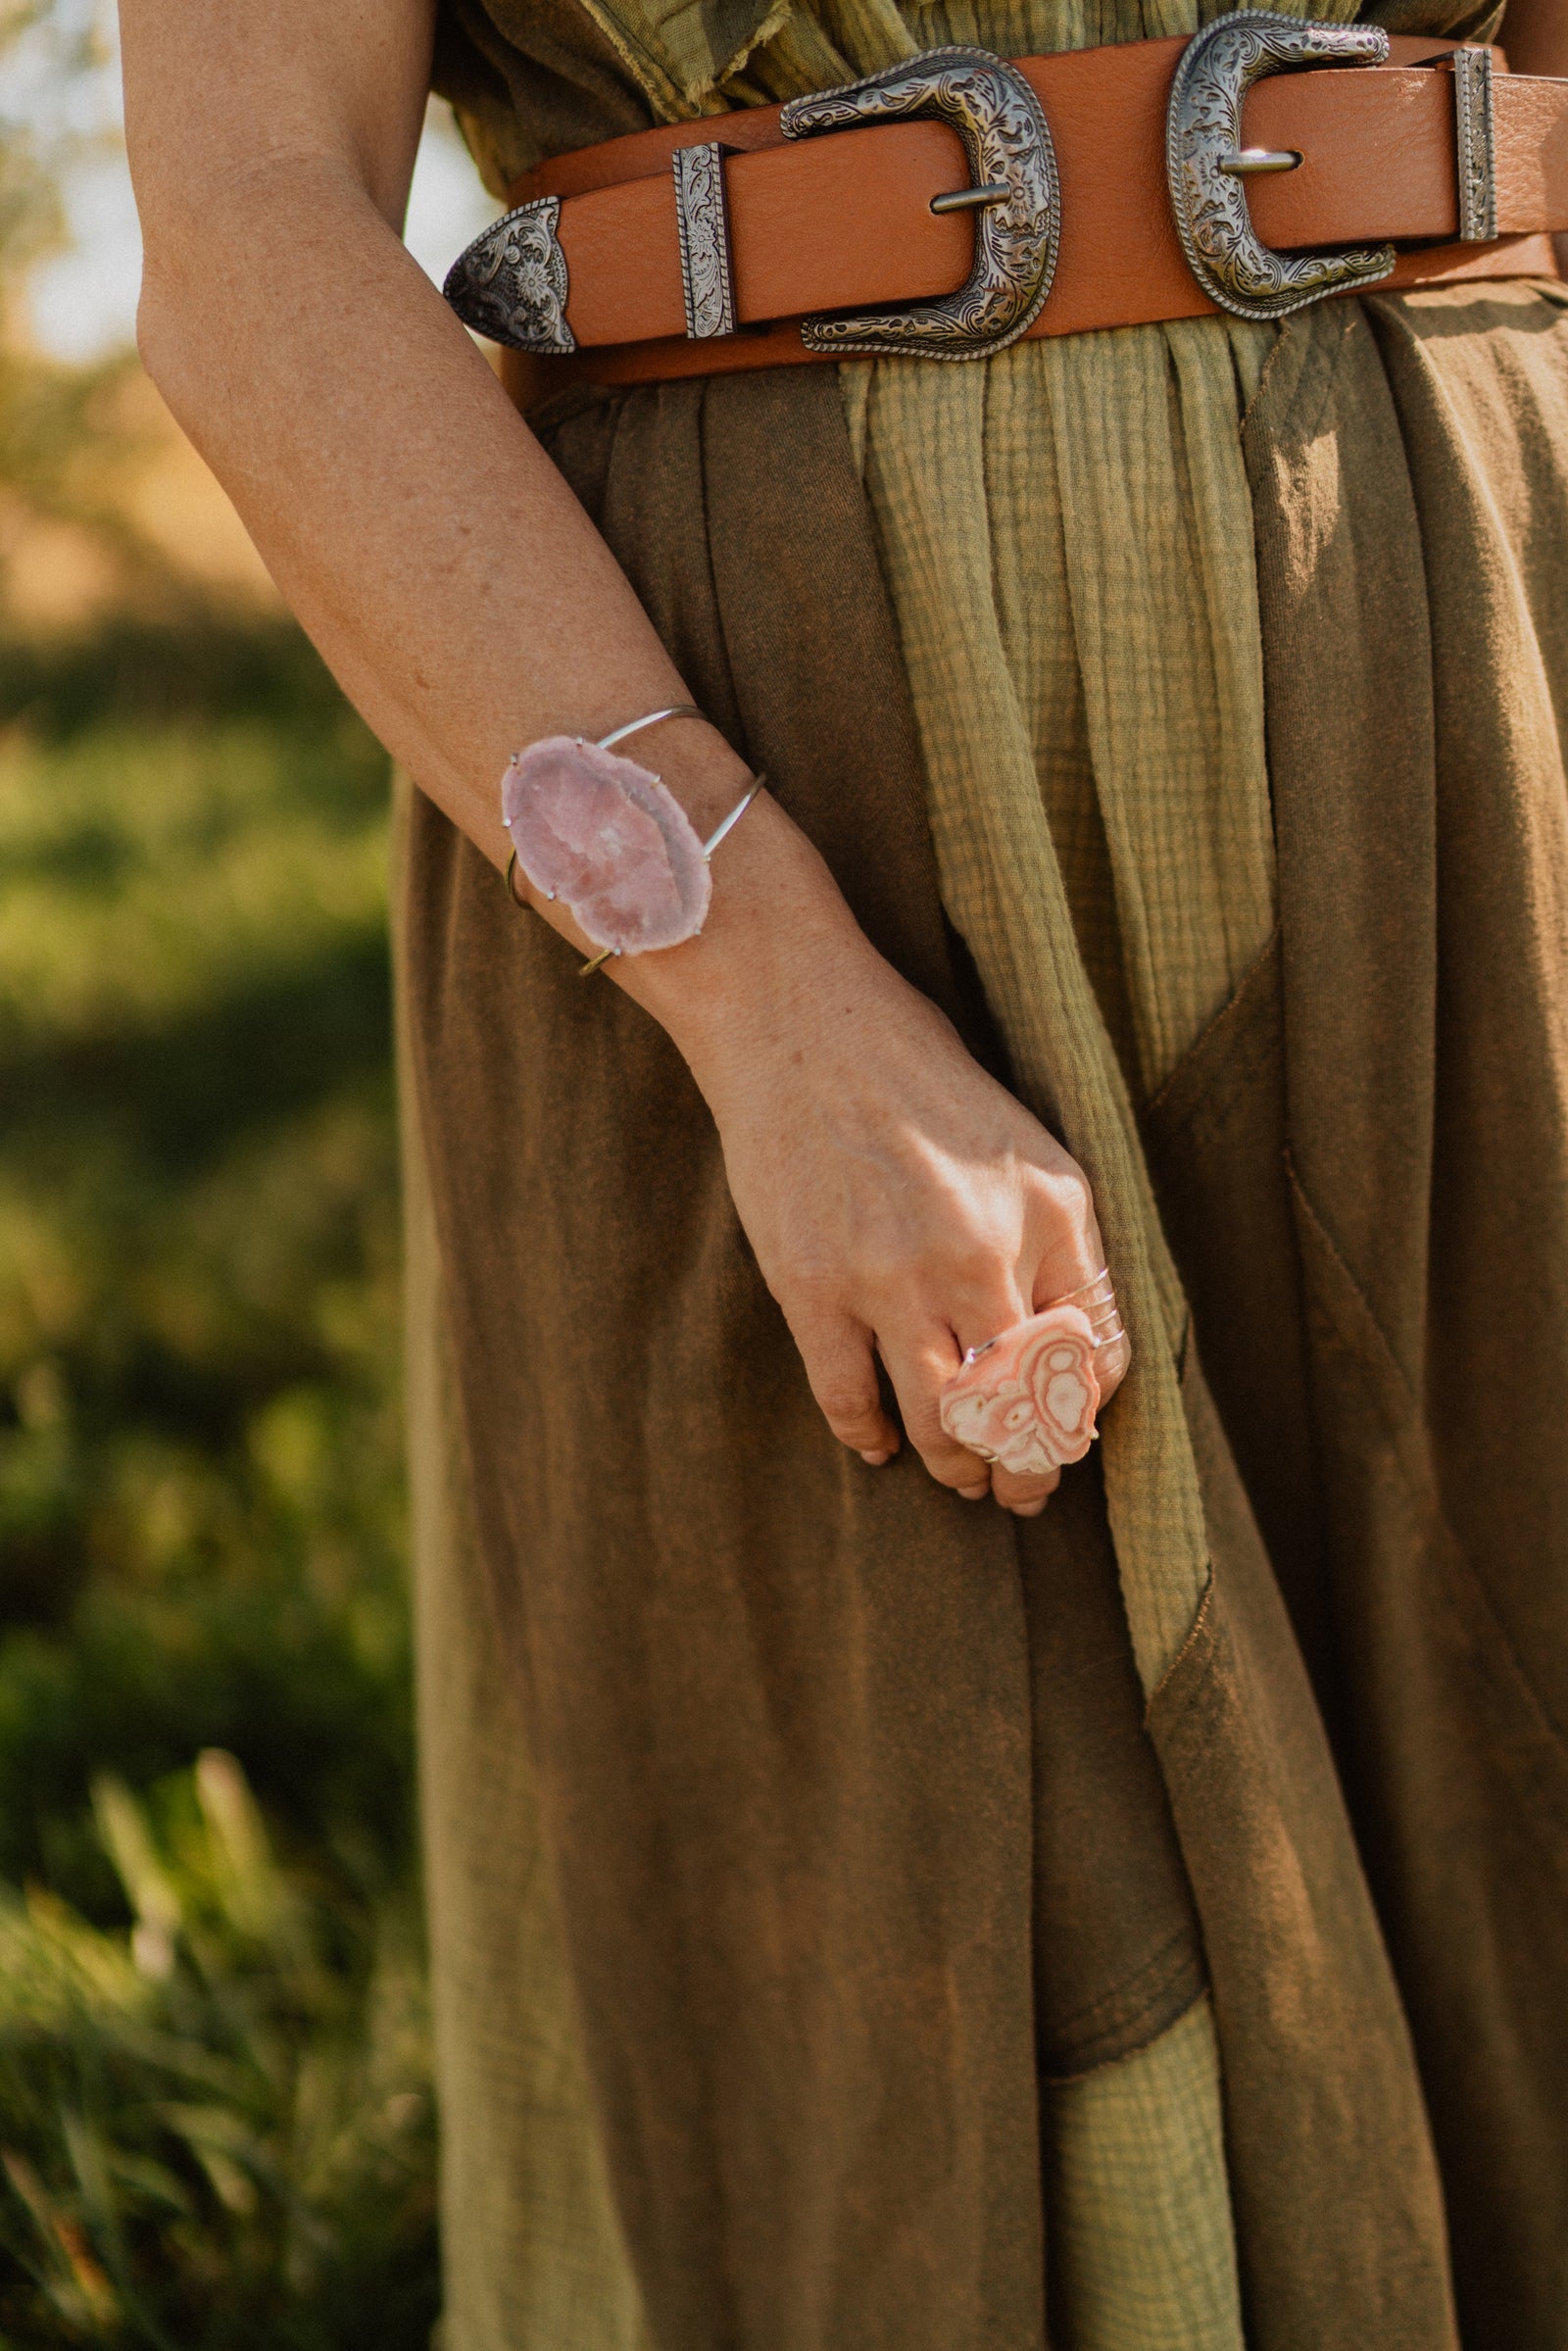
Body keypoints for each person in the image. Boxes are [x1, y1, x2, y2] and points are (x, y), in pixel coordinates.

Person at [122, 0, 1568, 2342]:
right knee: (929, 2056)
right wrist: (760, 987)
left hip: (1481, 697)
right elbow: (243, 224)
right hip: (785, 782)